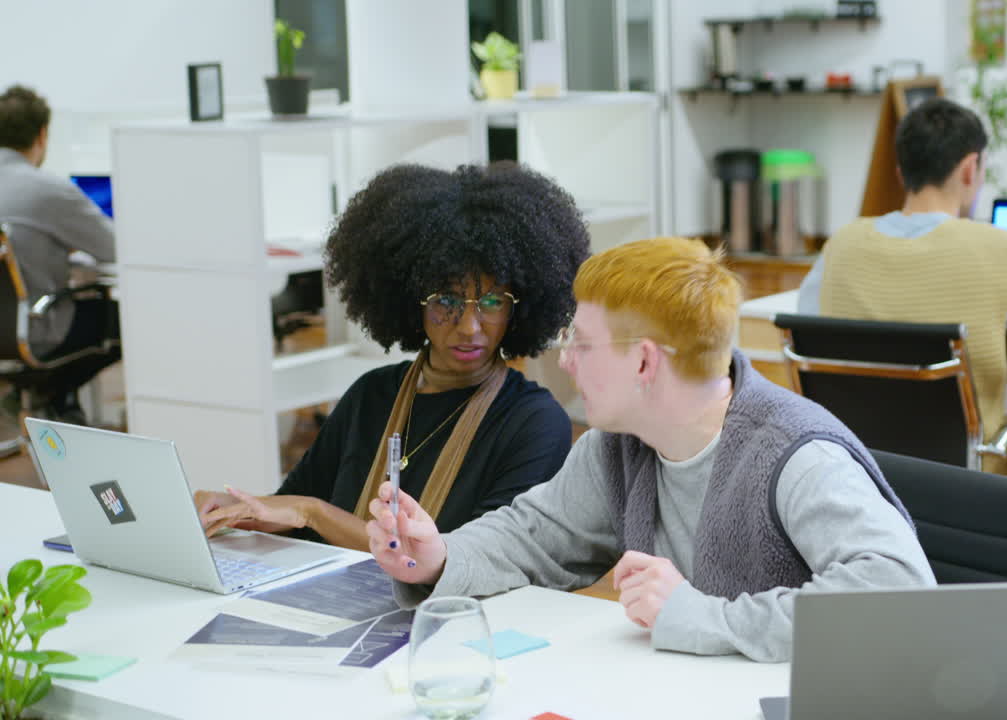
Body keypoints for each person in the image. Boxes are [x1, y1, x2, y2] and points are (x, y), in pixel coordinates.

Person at [367, 236, 935, 663]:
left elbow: (901, 598)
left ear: (643, 362)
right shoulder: (618, 447)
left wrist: (699, 617)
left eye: (582, 344)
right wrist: (437, 555)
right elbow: (532, 535)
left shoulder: (796, 456)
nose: (565, 362)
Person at [196, 163, 588, 551]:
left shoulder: (533, 421)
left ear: (519, 307)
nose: (469, 325)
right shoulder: (372, 395)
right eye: (446, 301)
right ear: (409, 300)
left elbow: (465, 559)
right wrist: (235, 509)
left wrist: (314, 512)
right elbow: (294, 511)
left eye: (490, 301)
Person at [797, 97, 1007, 475]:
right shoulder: (999, 251)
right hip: (967, 478)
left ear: (900, 172)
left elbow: (807, 329)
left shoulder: (840, 245)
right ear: (971, 169)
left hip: (857, 467)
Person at [0, 85, 118, 424]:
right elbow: (114, 249)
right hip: (34, 331)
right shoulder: (49, 191)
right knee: (122, 322)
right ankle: (53, 393)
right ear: (41, 135)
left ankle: (50, 398)